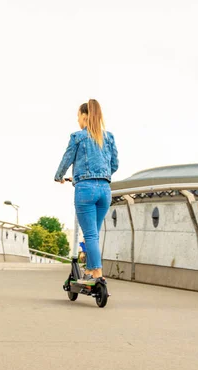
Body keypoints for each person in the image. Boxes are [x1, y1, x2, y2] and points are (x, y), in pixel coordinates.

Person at [54, 99, 119, 284]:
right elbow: (114, 164)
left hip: (85, 190)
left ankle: (98, 274)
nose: (77, 120)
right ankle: (89, 270)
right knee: (94, 234)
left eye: (78, 117)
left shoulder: (77, 137)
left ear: (84, 116)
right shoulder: (109, 137)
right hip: (105, 190)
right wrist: (101, 175)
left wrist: (59, 176)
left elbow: (66, 160)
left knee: (90, 235)